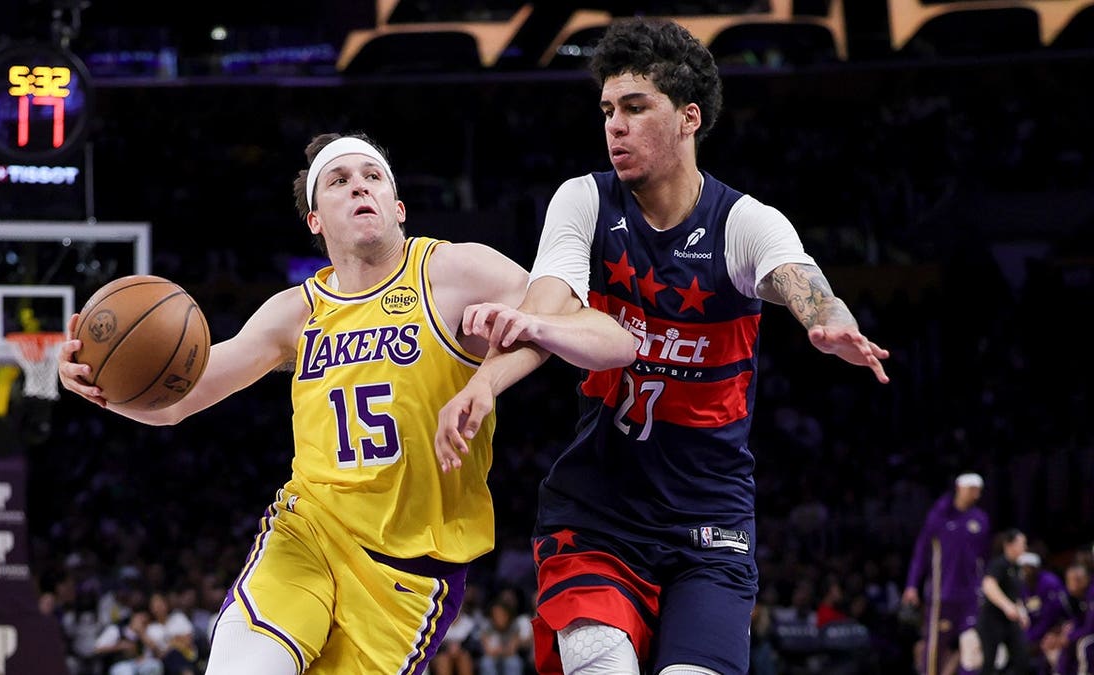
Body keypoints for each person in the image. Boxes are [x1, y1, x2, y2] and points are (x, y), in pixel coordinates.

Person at [60, 131, 630, 674]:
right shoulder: (295, 312)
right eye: (338, 180)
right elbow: (178, 401)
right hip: (309, 535)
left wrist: (494, 370)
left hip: (408, 572)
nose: (360, 186)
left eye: (373, 175)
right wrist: (97, 387)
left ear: (398, 206)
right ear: (315, 219)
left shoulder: (454, 272)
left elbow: (601, 336)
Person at [434, 16, 889, 675]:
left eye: (635, 107)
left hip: (710, 520)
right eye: (608, 109)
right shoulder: (584, 202)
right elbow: (545, 308)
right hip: (597, 514)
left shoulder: (741, 221)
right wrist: (481, 382)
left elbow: (799, 275)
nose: (614, 124)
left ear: (688, 118)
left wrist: (827, 318)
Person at [903, 473, 991, 675]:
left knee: (973, 647)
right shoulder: (938, 517)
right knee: (935, 649)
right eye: (971, 489)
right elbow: (921, 553)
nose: (976, 495)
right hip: (941, 596)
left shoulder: (981, 520)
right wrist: (911, 585)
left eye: (978, 491)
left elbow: (984, 559)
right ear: (959, 488)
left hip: (971, 597)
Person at [976, 528, 1031, 674]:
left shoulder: (1018, 567)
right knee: (989, 663)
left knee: (1022, 660)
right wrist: (1007, 606)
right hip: (991, 621)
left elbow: (1016, 595)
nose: (1025, 547)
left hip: (1009, 622)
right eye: (1021, 544)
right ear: (1009, 545)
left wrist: (1022, 612)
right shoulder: (999, 564)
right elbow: (989, 585)